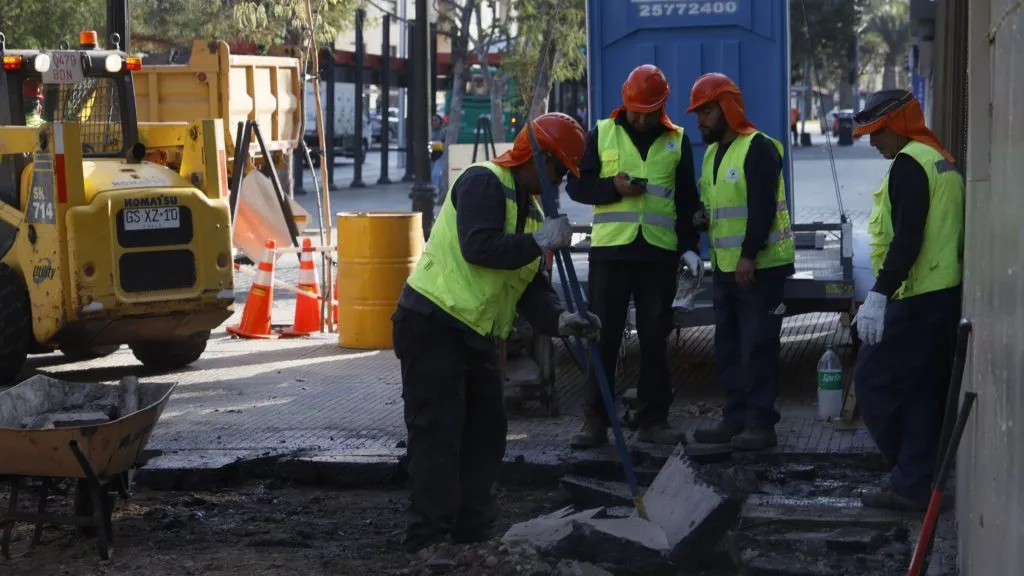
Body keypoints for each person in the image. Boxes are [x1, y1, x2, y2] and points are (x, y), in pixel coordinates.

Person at [392, 112, 601, 555]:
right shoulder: (483, 181)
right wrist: (539, 242)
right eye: (560, 171)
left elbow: (529, 286)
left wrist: (560, 319)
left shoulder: (532, 210)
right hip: (433, 324)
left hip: (475, 333)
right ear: (540, 158)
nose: (560, 183)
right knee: (438, 437)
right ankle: (427, 543)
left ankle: (473, 537)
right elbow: (479, 246)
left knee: (486, 436)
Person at [566, 64, 703, 449]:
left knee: (655, 338)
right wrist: (612, 187)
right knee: (603, 336)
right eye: (635, 111)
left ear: (661, 106)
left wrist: (690, 247)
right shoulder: (602, 133)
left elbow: (686, 201)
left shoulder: (677, 141)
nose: (641, 119)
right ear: (625, 102)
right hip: (611, 253)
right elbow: (576, 186)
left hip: (657, 254)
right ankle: (595, 421)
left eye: (648, 112)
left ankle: (653, 420)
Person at [849, 89, 964, 511]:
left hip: (916, 298)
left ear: (898, 126)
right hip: (942, 297)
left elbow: (907, 239)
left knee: (872, 381)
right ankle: (915, 482)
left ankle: (908, 471)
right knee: (922, 394)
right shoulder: (940, 159)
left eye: (878, 133)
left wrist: (879, 295)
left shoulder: (910, 164)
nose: (872, 141)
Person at [686, 72, 795, 451]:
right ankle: (735, 420)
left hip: (759, 270)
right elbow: (719, 206)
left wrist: (748, 255)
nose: (700, 121)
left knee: (757, 347)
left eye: (706, 112)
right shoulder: (712, 155)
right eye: (698, 114)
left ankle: (760, 425)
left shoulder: (758, 149)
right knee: (729, 349)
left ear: (728, 109)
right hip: (727, 269)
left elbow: (762, 209)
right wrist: (701, 217)